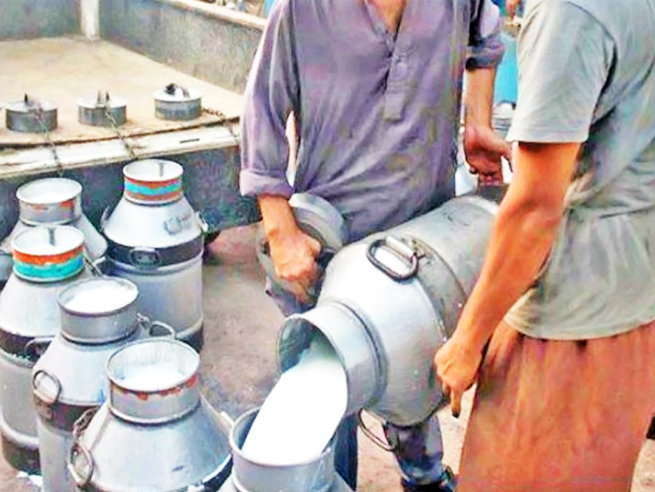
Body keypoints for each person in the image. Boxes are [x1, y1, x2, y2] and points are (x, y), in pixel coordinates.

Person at [240, 1, 508, 490]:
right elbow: (262, 108)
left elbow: (486, 38)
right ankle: (329, 480)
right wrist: (280, 230)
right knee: (333, 379)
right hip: (331, 241)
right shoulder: (301, 11)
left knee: (415, 370)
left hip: (420, 235)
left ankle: (423, 476)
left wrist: (477, 123)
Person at [435, 0, 655, 490]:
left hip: (570, 322)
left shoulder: (567, 11)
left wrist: (467, 341)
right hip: (636, 297)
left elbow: (535, 208)